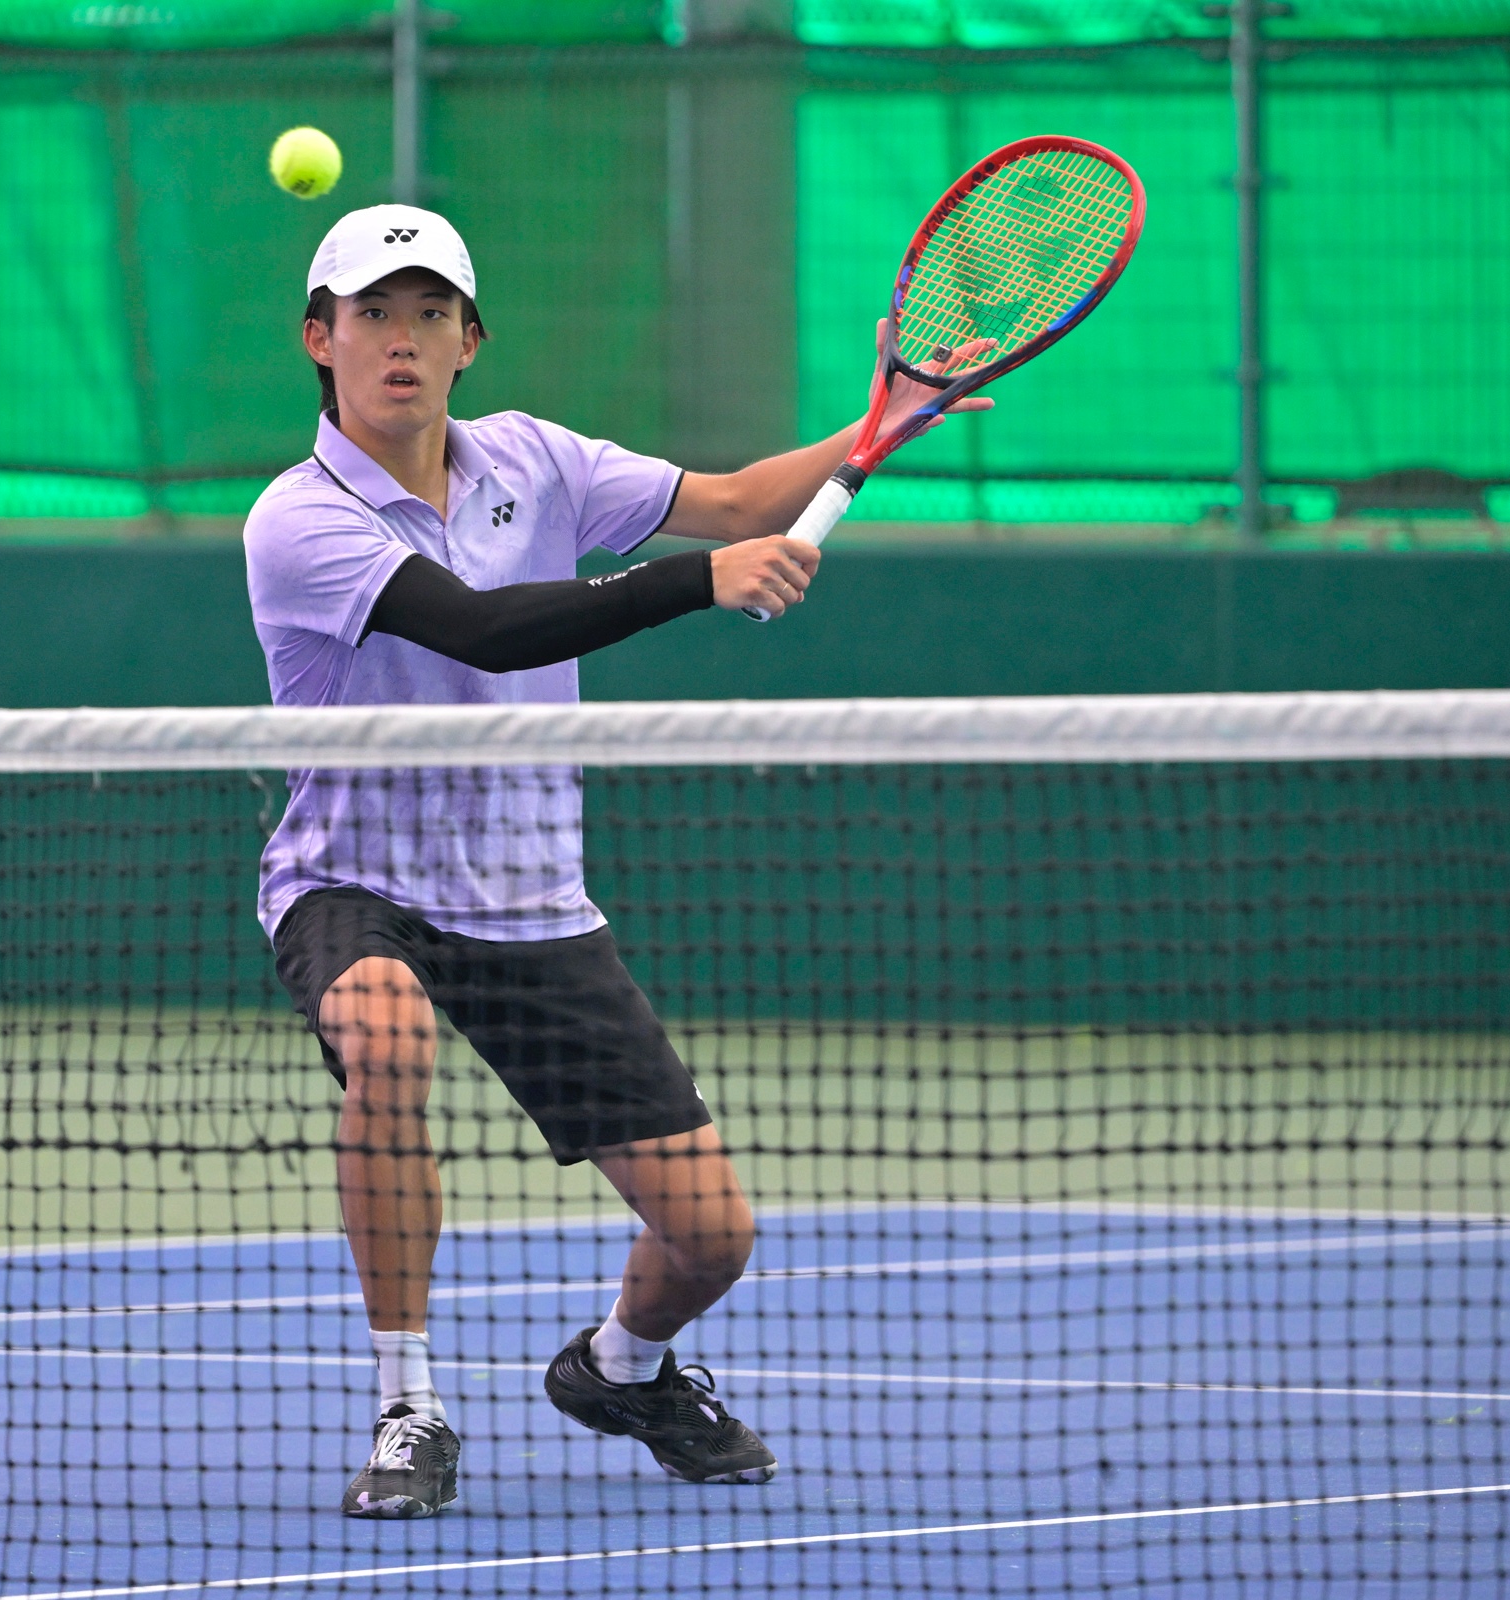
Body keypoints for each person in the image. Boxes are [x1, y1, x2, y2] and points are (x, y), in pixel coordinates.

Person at [244, 204, 993, 1519]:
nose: (401, 339)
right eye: (372, 314)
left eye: (430, 314)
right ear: (321, 338)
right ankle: (409, 1407)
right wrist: (698, 582)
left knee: (713, 1237)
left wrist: (885, 419)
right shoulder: (296, 521)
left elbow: (736, 502)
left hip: (529, 894)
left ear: (469, 342)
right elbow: (482, 628)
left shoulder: (536, 460)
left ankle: (621, 1370)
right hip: (354, 877)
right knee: (389, 1041)